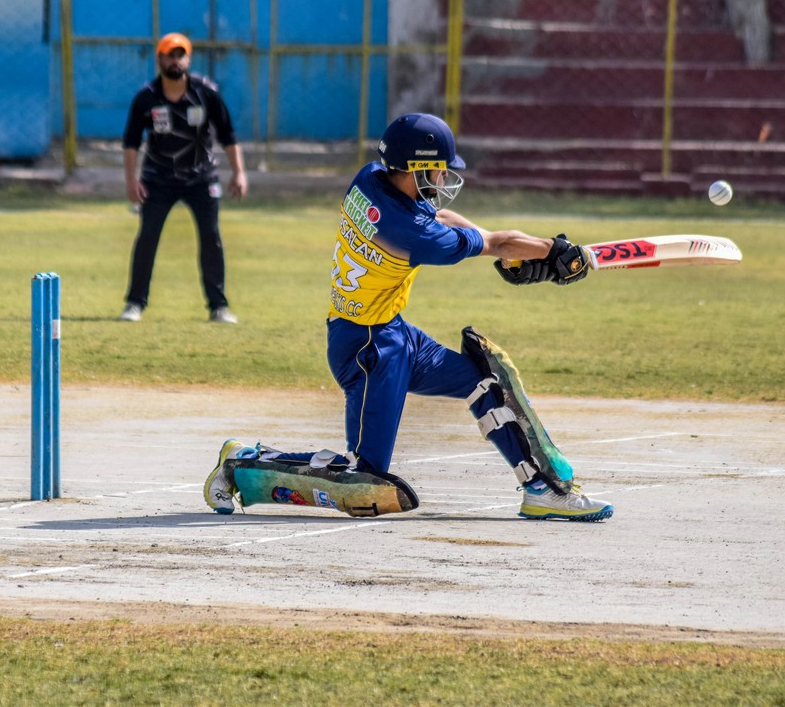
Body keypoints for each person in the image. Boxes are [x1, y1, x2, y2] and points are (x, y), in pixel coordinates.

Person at [203, 113, 613, 521]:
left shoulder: (369, 179)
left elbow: (450, 223)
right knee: (364, 480)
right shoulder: (412, 234)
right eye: (438, 168)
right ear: (416, 167)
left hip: (391, 334)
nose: (443, 177)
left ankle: (541, 490)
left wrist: (521, 251)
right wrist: (557, 252)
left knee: (483, 380)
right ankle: (240, 463)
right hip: (368, 349)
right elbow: (495, 241)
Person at [120, 32, 248, 323]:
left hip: (201, 177)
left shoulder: (205, 92)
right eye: (169, 55)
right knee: (148, 236)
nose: (175, 61)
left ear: (188, 60)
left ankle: (218, 306)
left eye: (180, 55)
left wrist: (239, 172)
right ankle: (134, 303)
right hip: (157, 178)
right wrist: (131, 180)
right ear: (159, 59)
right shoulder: (146, 97)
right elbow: (131, 142)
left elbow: (228, 134)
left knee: (211, 237)